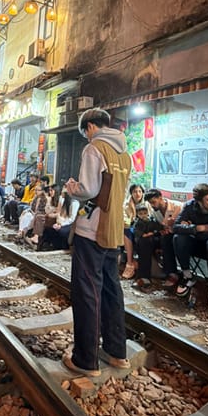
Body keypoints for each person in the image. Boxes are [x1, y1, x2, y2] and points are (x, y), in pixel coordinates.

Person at [63, 108, 131, 376]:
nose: (86, 136)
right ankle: (117, 353)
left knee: (87, 292)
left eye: (84, 132)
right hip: (113, 229)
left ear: (90, 126)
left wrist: (72, 188)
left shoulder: (94, 148)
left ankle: (85, 360)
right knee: (111, 291)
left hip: (91, 230)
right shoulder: (124, 154)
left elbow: (89, 189)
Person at [172, 183, 208, 312]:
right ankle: (187, 276)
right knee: (178, 237)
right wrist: (198, 228)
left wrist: (191, 229)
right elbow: (175, 227)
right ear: (198, 201)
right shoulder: (189, 206)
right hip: (197, 246)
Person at [135, 188, 183, 290]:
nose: (152, 205)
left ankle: (171, 273)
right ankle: (144, 276)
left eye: (153, 202)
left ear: (160, 198)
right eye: (150, 203)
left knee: (166, 239)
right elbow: (156, 227)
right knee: (144, 241)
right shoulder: (154, 212)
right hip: (162, 235)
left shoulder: (177, 206)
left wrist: (170, 228)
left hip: (175, 236)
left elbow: (185, 225)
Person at [122, 183, 152, 279]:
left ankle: (132, 263)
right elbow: (124, 218)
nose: (137, 194)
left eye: (139, 191)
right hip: (131, 226)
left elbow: (151, 217)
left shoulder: (147, 204)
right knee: (126, 231)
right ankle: (130, 263)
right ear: (131, 193)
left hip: (145, 227)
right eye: (135, 191)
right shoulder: (126, 204)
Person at [39, 186, 79, 251]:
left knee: (62, 231)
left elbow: (72, 219)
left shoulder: (75, 203)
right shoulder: (62, 200)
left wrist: (61, 224)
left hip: (69, 223)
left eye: (63, 192)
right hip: (62, 220)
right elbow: (59, 213)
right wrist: (58, 222)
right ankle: (46, 245)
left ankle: (61, 247)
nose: (61, 193)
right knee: (48, 229)